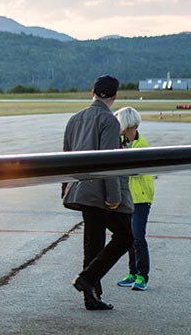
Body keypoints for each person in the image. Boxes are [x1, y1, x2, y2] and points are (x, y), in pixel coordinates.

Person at [62, 75, 134, 311]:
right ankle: (88, 278)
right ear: (115, 96)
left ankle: (91, 296)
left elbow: (65, 158)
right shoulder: (109, 121)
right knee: (125, 237)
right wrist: (114, 197)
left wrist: (66, 189)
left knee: (93, 243)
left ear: (91, 92)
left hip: (80, 191)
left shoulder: (74, 119)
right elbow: (109, 162)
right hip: (100, 193)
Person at [114, 107, 155, 291]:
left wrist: (122, 156)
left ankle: (142, 276)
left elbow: (135, 170)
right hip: (129, 197)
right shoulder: (123, 142)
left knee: (138, 237)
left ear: (127, 124)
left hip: (141, 197)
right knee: (129, 237)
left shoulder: (141, 145)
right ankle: (132, 272)